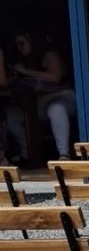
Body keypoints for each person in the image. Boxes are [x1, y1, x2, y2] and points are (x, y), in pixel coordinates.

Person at [4, 30, 76, 164]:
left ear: (32, 40)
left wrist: (25, 72)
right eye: (17, 45)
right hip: (38, 102)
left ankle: (64, 154)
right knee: (11, 114)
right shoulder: (24, 61)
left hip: (62, 96)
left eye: (22, 43)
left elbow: (55, 77)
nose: (19, 48)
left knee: (56, 109)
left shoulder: (49, 55)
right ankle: (27, 152)